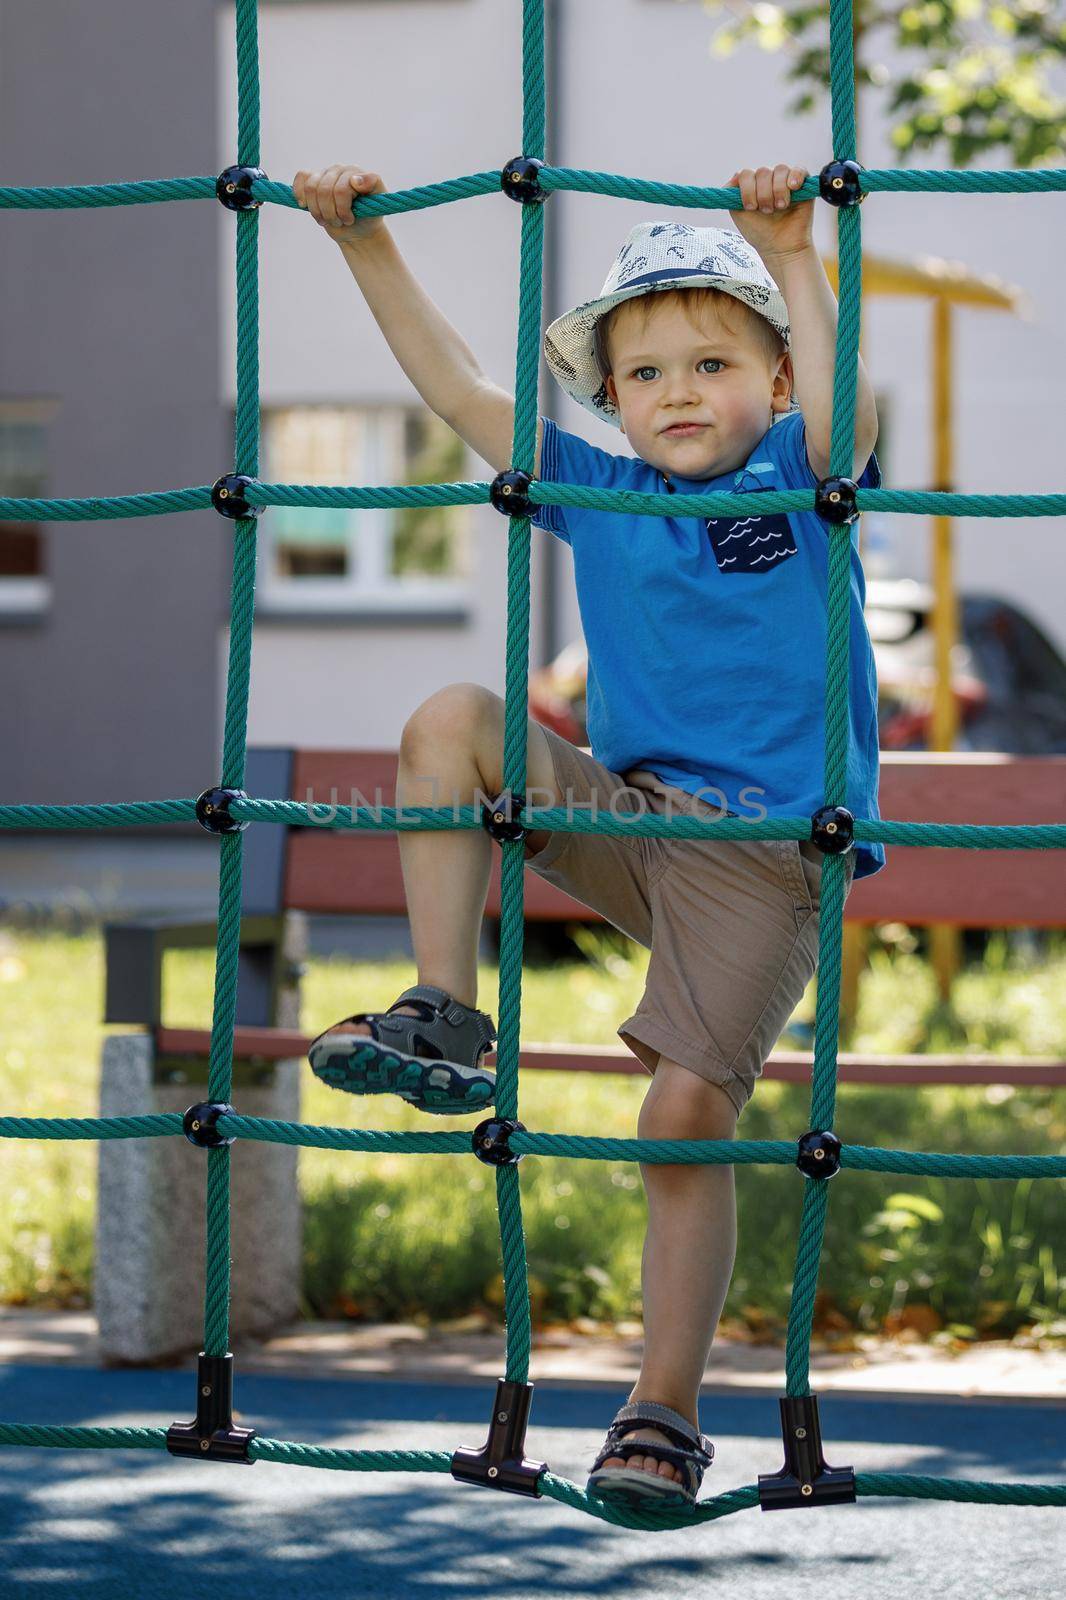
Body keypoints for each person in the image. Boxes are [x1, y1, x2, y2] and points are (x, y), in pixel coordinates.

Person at [294, 159, 885, 1511]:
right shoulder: (601, 497)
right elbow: (454, 393)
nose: (679, 390)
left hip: (768, 851)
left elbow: (845, 416)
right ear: (607, 400)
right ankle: (443, 1008)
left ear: (775, 385)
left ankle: (660, 1412)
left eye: (714, 362)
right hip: (629, 820)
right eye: (644, 373)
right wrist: (359, 243)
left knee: (680, 1114)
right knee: (454, 717)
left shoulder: (803, 486)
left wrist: (793, 257)